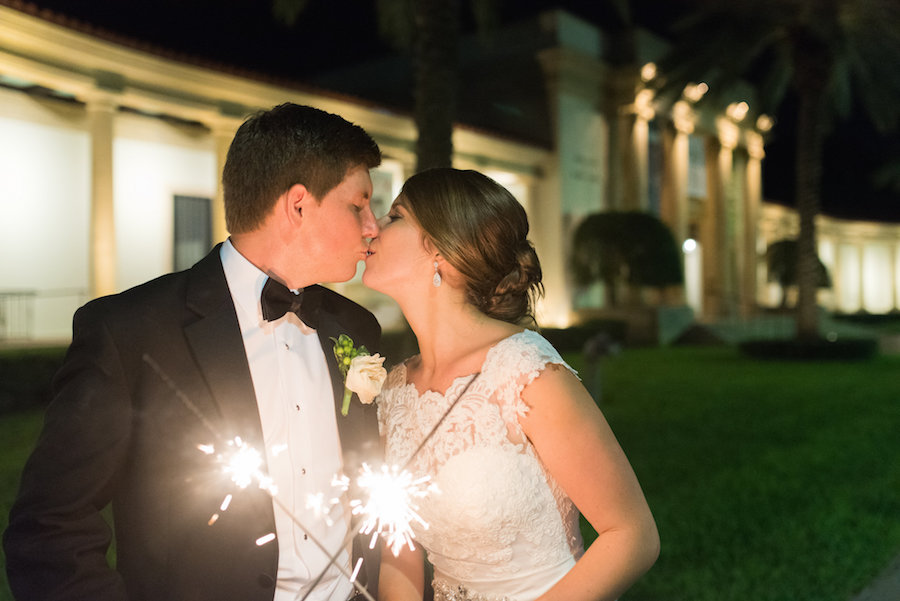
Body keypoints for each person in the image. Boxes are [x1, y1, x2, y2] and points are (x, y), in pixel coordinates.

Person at [4, 103, 384, 601]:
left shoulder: (355, 328)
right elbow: (49, 524)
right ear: (298, 205)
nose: (372, 226)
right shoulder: (132, 331)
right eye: (358, 205)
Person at [363, 168, 660, 601]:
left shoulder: (525, 372)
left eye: (396, 216)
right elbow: (399, 547)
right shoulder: (394, 391)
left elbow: (632, 535)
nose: (373, 226)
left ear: (441, 251)